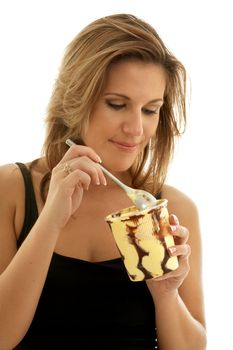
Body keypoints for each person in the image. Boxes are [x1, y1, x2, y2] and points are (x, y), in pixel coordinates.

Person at [0, 13, 207, 350]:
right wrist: (51, 218)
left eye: (150, 109)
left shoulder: (173, 209)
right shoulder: (11, 189)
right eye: (117, 104)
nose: (136, 129)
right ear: (75, 98)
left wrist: (167, 294)